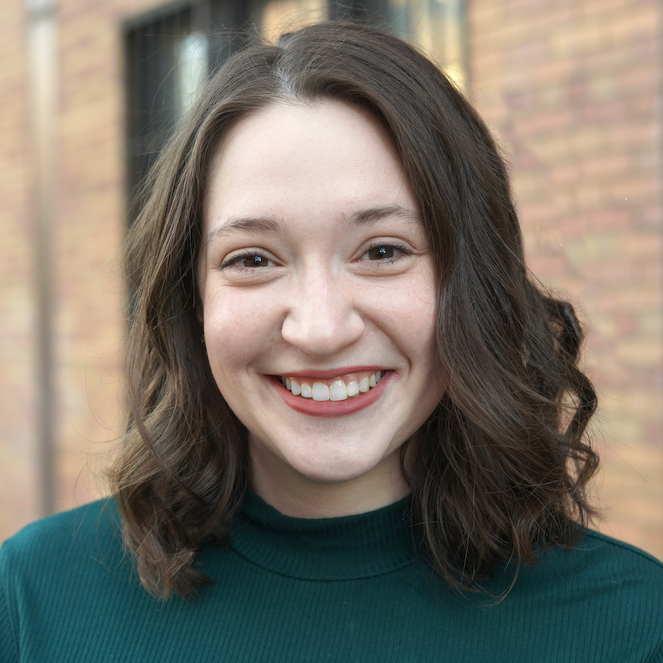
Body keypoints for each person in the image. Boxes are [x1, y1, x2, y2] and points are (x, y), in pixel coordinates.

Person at [1, 20, 662, 662]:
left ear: (474, 280)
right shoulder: (33, 599)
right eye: (253, 259)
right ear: (190, 299)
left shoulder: (631, 625)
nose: (318, 329)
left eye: (381, 250)